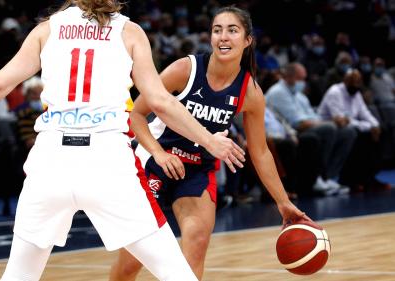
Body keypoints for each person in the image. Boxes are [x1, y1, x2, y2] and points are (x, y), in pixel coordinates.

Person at [0, 1, 251, 280]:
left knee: (19, 275)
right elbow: (160, 101)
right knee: (176, 274)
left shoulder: (47, 29)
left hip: (50, 162)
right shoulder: (129, 31)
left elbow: (0, 84)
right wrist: (208, 139)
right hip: (107, 163)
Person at [109, 6, 309, 280]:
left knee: (197, 242)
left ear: (248, 40)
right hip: (153, 163)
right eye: (217, 30)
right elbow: (137, 115)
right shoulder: (185, 69)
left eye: (232, 30)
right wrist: (158, 153)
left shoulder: (250, 92)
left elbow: (260, 152)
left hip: (196, 171)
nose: (223, 37)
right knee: (133, 260)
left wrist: (283, 202)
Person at [266, 62, 356, 195]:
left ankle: (329, 176)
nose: (303, 82)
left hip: (307, 127)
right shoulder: (278, 92)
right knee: (329, 129)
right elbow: (298, 123)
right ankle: (319, 177)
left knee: (348, 132)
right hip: (292, 132)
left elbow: (314, 117)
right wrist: (330, 122)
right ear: (289, 77)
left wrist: (334, 121)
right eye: (300, 79)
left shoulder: (299, 95)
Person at [318, 69, 390, 191]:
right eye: (353, 82)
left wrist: (375, 125)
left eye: (358, 82)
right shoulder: (335, 92)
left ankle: (369, 177)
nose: (356, 85)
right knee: (359, 135)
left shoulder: (356, 93)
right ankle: (351, 179)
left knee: (382, 132)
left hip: (351, 127)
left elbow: (364, 113)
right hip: (332, 128)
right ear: (345, 81)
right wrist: (368, 127)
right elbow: (343, 120)